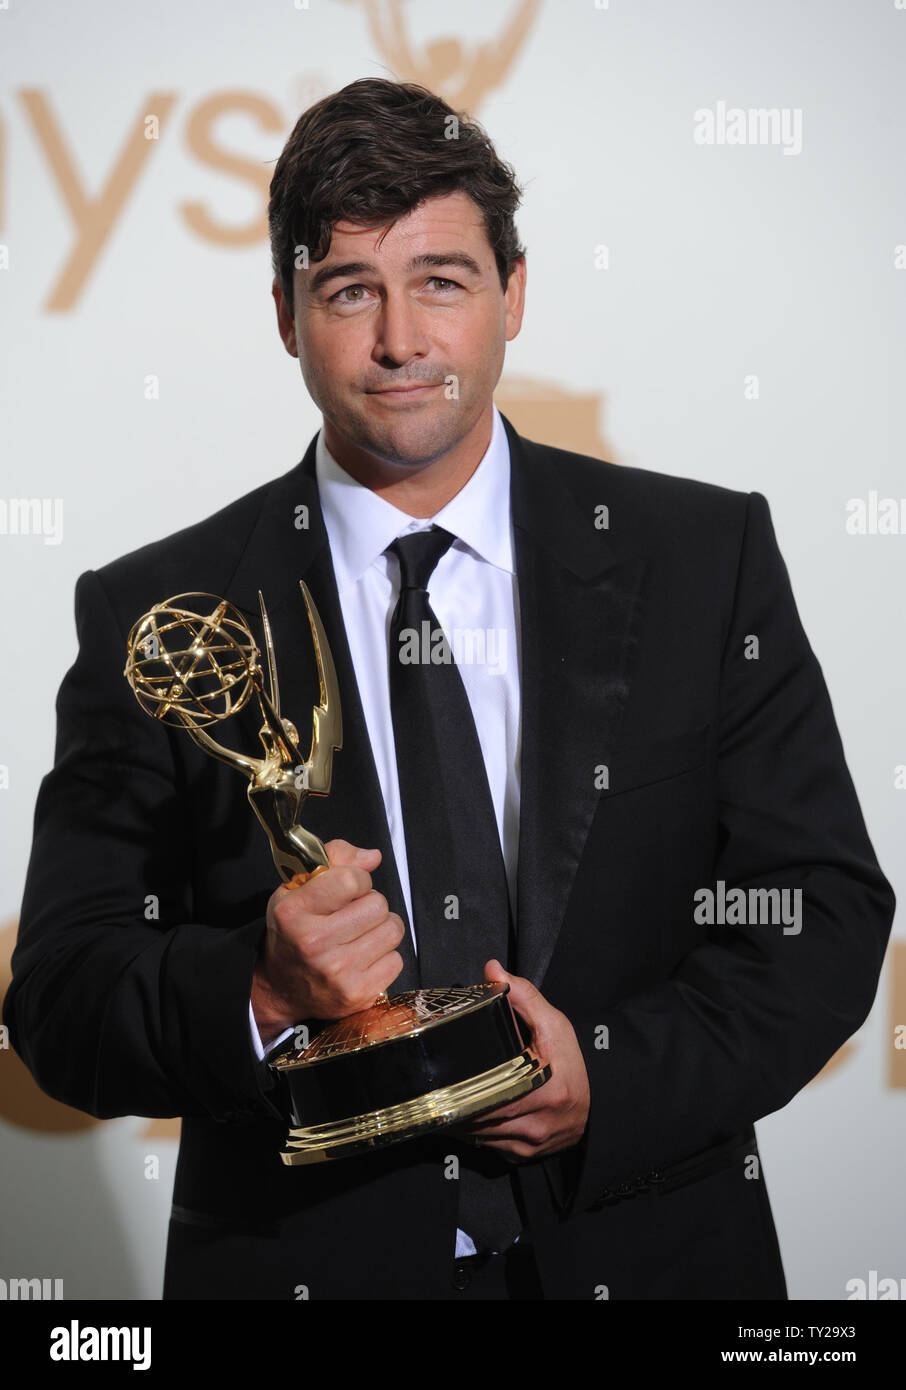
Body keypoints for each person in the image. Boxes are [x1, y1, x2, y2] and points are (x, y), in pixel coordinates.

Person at [5, 77, 894, 1301]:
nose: (402, 343)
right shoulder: (159, 615)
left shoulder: (701, 558)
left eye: (442, 281)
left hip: (651, 1259)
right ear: (284, 312)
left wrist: (614, 1078)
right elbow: (60, 1000)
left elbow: (820, 908)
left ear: (514, 295)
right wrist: (259, 991)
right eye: (349, 289)